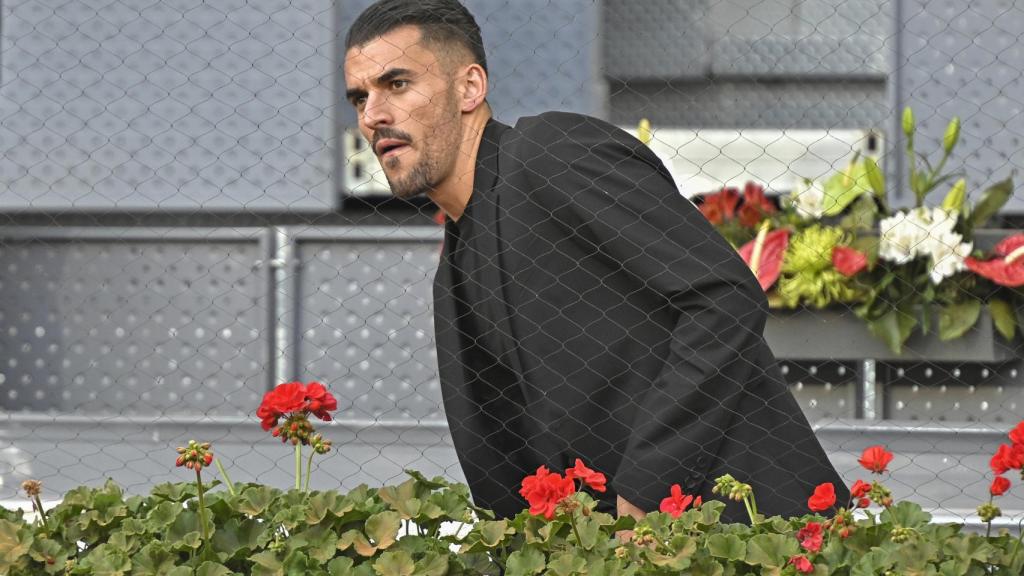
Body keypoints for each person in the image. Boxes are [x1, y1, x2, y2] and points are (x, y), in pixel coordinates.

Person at [343, 0, 848, 523]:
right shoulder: (460, 251)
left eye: (397, 84)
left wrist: (650, 488)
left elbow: (723, 296)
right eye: (360, 98)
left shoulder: (550, 153)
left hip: (749, 524)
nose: (373, 115)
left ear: (470, 87)